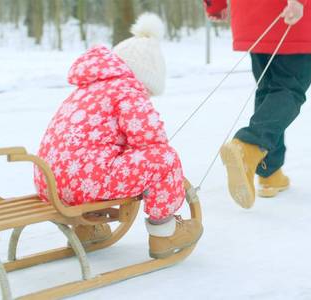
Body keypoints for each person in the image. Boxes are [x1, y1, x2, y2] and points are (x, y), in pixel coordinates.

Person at [34, 14, 202, 259]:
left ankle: (86, 228)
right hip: (83, 183)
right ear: (144, 78)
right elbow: (150, 139)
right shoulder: (128, 90)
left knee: (93, 155)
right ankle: (165, 233)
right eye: (149, 94)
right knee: (163, 158)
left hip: (49, 183)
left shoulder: (85, 90)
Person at [204, 0, 311, 208]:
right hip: (289, 15)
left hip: (250, 17)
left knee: (269, 90)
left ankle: (270, 170)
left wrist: (214, 4)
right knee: (290, 89)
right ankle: (248, 146)